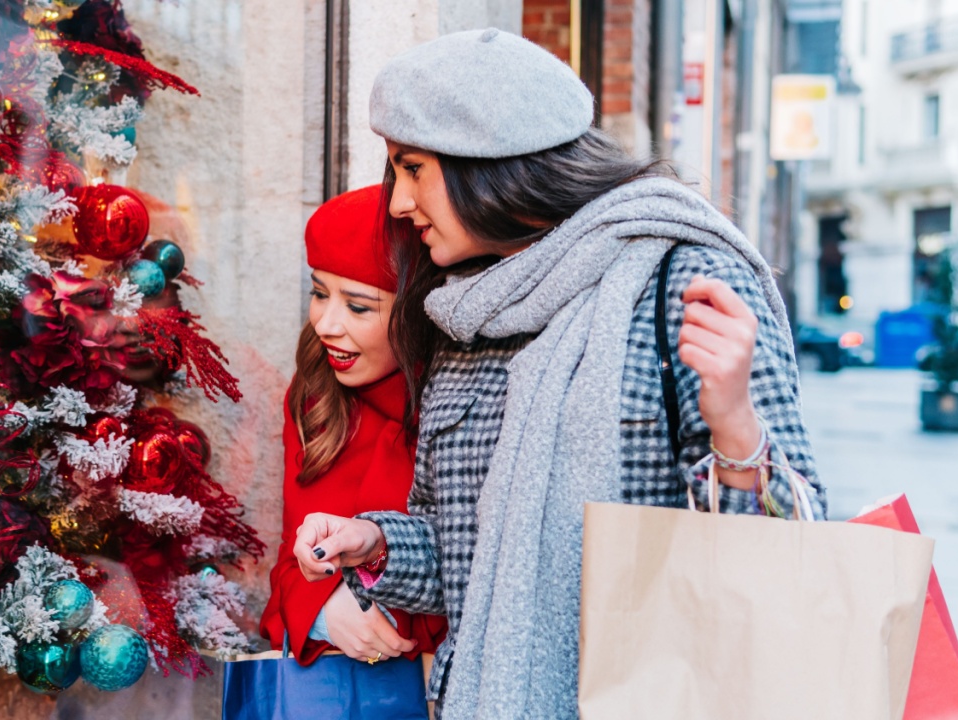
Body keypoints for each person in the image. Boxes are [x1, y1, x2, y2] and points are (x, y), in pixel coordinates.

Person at [290, 29, 828, 719]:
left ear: (491, 161)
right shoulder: (465, 309)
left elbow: (799, 546)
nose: (397, 201)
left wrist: (735, 427)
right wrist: (378, 543)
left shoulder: (681, 279)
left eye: (413, 168)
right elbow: (465, 558)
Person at [259, 184, 446, 669]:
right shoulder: (317, 396)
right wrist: (324, 610)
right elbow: (291, 560)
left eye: (359, 306)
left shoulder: (459, 406)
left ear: (417, 314)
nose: (326, 323)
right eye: (319, 293)